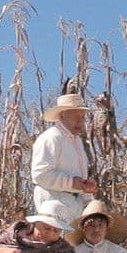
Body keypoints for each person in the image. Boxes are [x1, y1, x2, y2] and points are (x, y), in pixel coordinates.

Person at [31, 94, 99, 224]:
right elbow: (40, 175)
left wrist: (88, 201)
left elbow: (81, 177)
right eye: (75, 116)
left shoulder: (77, 142)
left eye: (82, 117)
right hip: (53, 201)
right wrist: (72, 183)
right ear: (62, 115)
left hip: (75, 204)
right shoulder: (51, 138)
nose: (80, 121)